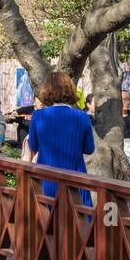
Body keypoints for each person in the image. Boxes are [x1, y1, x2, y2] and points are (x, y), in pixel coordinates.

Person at [27, 71, 94, 206]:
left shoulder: (38, 116)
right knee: (79, 222)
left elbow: (33, 146)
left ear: (47, 90)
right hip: (75, 180)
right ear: (70, 90)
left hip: (47, 180)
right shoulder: (82, 117)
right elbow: (89, 149)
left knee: (47, 221)